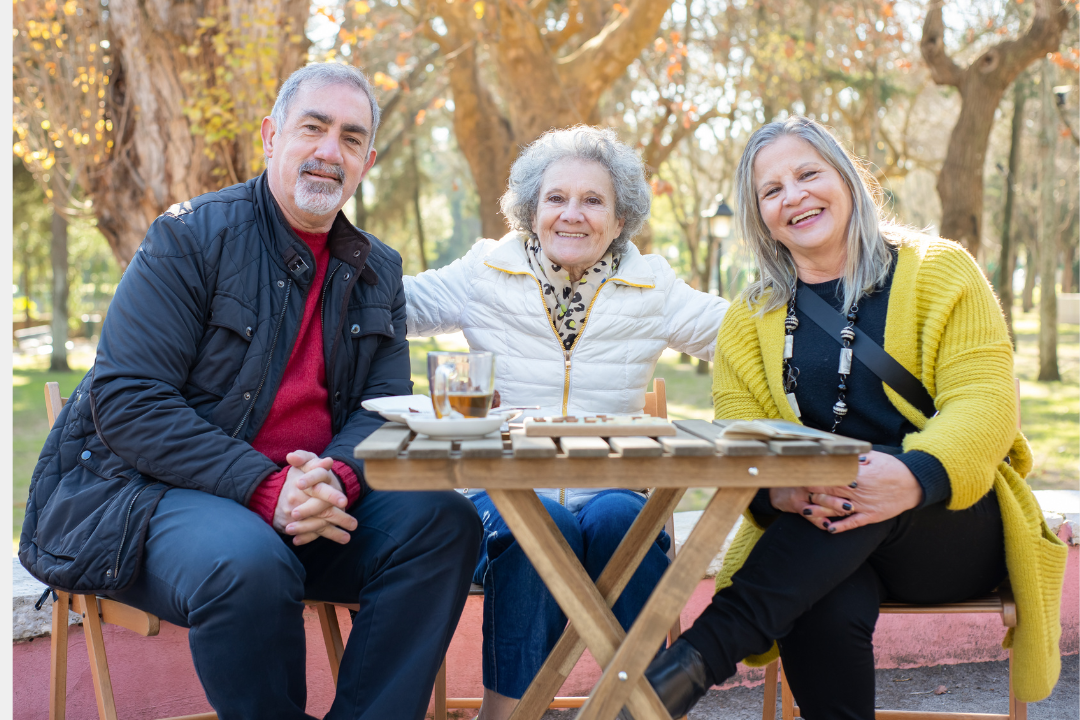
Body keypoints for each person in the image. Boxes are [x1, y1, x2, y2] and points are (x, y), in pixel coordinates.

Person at [20, 63, 483, 720]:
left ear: (367, 161)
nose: (330, 151)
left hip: (307, 503)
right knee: (250, 561)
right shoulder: (189, 238)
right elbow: (128, 402)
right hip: (157, 499)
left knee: (444, 523)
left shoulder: (378, 269)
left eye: (351, 138)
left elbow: (382, 412)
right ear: (271, 136)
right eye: (313, 128)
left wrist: (335, 482)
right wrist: (268, 489)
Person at [634, 116, 1068, 719]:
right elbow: (744, 442)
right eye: (772, 189)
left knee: (858, 477)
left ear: (847, 177)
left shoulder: (940, 269)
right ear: (758, 214)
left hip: (949, 523)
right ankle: (683, 672)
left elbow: (986, 404)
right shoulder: (750, 317)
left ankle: (700, 656)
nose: (795, 196)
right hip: (822, 536)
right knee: (823, 602)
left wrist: (911, 474)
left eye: (808, 173)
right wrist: (779, 494)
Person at [404, 125, 730, 719]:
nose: (571, 215)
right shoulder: (485, 271)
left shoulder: (652, 286)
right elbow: (391, 305)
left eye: (592, 200)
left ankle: (636, 707)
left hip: (612, 489)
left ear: (619, 215)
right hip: (495, 501)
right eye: (556, 198)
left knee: (620, 517)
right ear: (532, 207)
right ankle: (505, 715)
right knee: (538, 524)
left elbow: (742, 335)